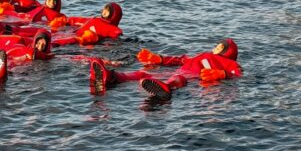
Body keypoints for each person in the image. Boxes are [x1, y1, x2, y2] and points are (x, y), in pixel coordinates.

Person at [88, 39, 240, 102]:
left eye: (219, 47)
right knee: (143, 73)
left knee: (180, 80)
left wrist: (223, 74)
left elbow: (238, 74)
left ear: (227, 51)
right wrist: (158, 58)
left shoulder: (229, 63)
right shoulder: (201, 56)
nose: (215, 48)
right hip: (179, 70)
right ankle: (111, 75)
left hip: (191, 77)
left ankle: (166, 87)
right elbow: (180, 60)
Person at [49, 2, 123, 46]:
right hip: (74, 33)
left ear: (113, 15)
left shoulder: (111, 28)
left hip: (83, 40)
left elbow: (117, 33)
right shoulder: (95, 19)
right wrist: (66, 20)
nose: (104, 12)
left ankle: (54, 43)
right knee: (54, 35)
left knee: (73, 40)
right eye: (104, 10)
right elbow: (80, 21)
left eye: (107, 12)